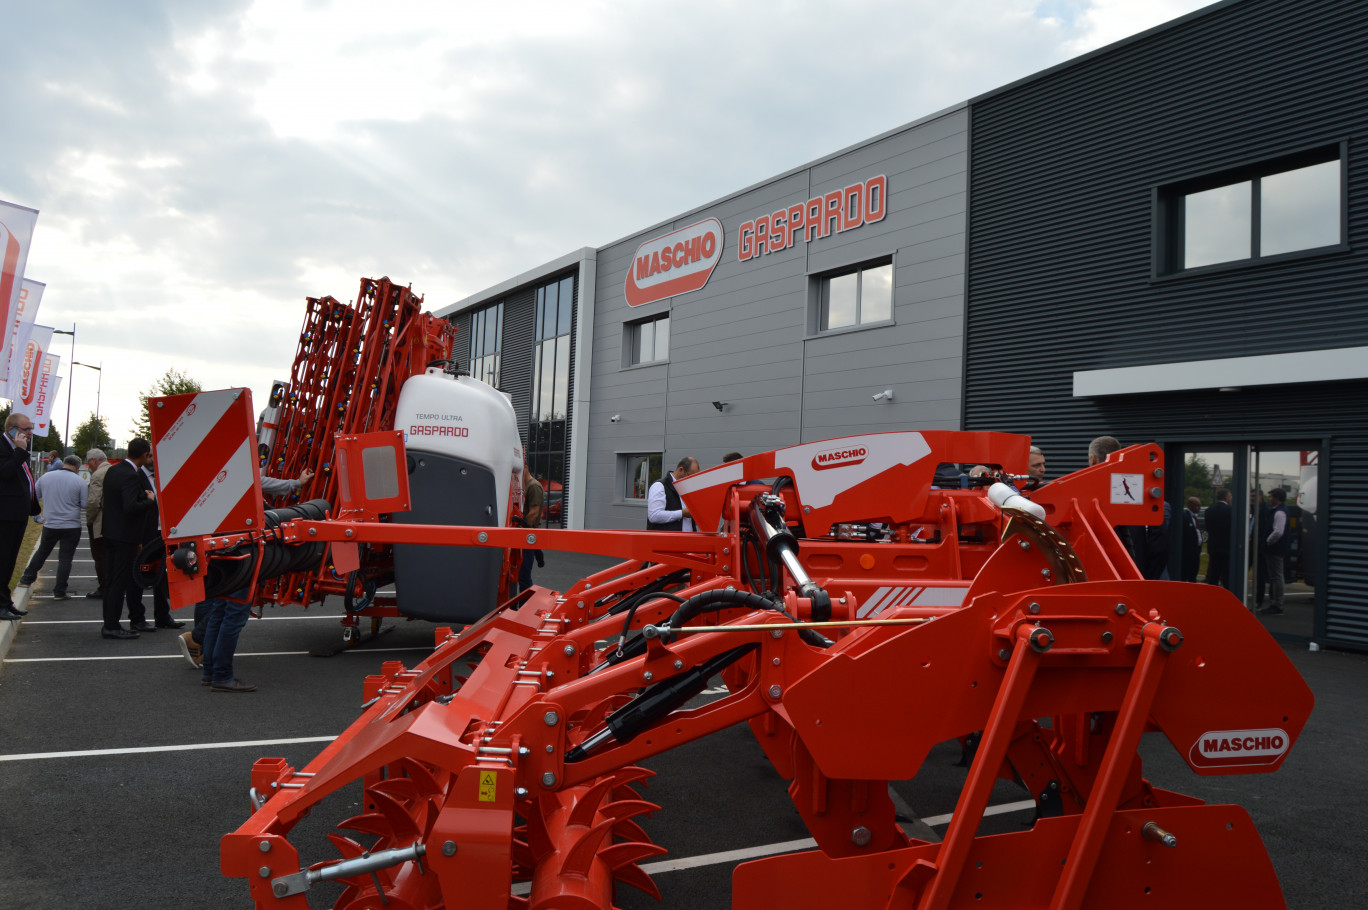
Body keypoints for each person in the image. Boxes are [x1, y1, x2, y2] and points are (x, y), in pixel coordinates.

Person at [178, 467, 314, 669]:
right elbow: (261, 483)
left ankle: (205, 656)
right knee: (232, 610)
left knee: (215, 597)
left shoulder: (213, 473)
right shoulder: (239, 472)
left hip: (214, 540)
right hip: (238, 545)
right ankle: (209, 656)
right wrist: (295, 484)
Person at [100, 438, 160, 639]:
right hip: (125, 536)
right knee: (119, 582)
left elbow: (117, 499)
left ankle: (109, 622)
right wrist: (149, 501)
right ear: (144, 455)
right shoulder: (131, 475)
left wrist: (140, 495)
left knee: (111, 581)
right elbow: (130, 507)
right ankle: (112, 625)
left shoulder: (114, 470)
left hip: (110, 532)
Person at [18, 454, 88, 600]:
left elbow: (34, 496)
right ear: (77, 467)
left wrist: (37, 517)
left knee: (42, 552)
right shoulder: (79, 481)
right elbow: (84, 504)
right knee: (65, 558)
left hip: (51, 523)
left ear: (64, 463)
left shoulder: (46, 477)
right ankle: (60, 591)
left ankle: (26, 579)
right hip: (71, 525)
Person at [0, 413, 39, 621]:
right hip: (5, 515)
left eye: (31, 429)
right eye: (26, 429)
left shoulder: (18, 451)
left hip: (17, 515)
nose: (30, 433)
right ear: (13, 430)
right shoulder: (7, 448)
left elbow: (26, 480)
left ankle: (6, 602)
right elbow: (5, 473)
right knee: (2, 560)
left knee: (10, 561)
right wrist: (19, 452)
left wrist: (35, 509)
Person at [84, 449, 111, 598]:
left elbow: (94, 502)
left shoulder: (97, 475)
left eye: (89, 463)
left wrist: (89, 520)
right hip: (116, 523)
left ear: (93, 460)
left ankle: (104, 587)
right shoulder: (114, 471)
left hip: (100, 524)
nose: (89, 467)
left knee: (100, 557)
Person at [647, 456, 699, 531]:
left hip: (689, 540)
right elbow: (654, 516)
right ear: (680, 470)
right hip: (667, 541)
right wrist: (682, 513)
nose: (692, 480)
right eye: (690, 476)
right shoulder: (659, 486)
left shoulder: (687, 489)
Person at [1261, 488, 1290, 615]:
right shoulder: (1279, 511)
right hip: (1276, 547)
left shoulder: (1279, 513)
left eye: (1272, 497)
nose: (1269, 499)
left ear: (1277, 498)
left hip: (1275, 548)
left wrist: (1268, 541)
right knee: (1275, 576)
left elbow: (1278, 531)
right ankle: (1276, 602)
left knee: (1276, 576)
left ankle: (1277, 604)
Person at [519, 460, 543, 593]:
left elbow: (534, 513)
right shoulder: (526, 485)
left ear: (526, 468)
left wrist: (522, 530)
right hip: (527, 534)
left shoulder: (533, 486)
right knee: (523, 574)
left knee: (524, 576)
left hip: (529, 536)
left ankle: (525, 605)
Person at [1204, 488, 1233, 589]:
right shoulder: (1230, 510)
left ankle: (1212, 594)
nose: (1231, 498)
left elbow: (1207, 527)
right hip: (1226, 546)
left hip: (1213, 546)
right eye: (1230, 496)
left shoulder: (1209, 510)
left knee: (1214, 572)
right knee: (1227, 573)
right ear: (1226, 497)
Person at [1180, 496, 1202, 583]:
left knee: (1194, 571)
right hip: (1187, 551)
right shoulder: (1184, 516)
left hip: (1196, 550)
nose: (1199, 508)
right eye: (1197, 505)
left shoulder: (1194, 517)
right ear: (1190, 505)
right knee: (1186, 573)